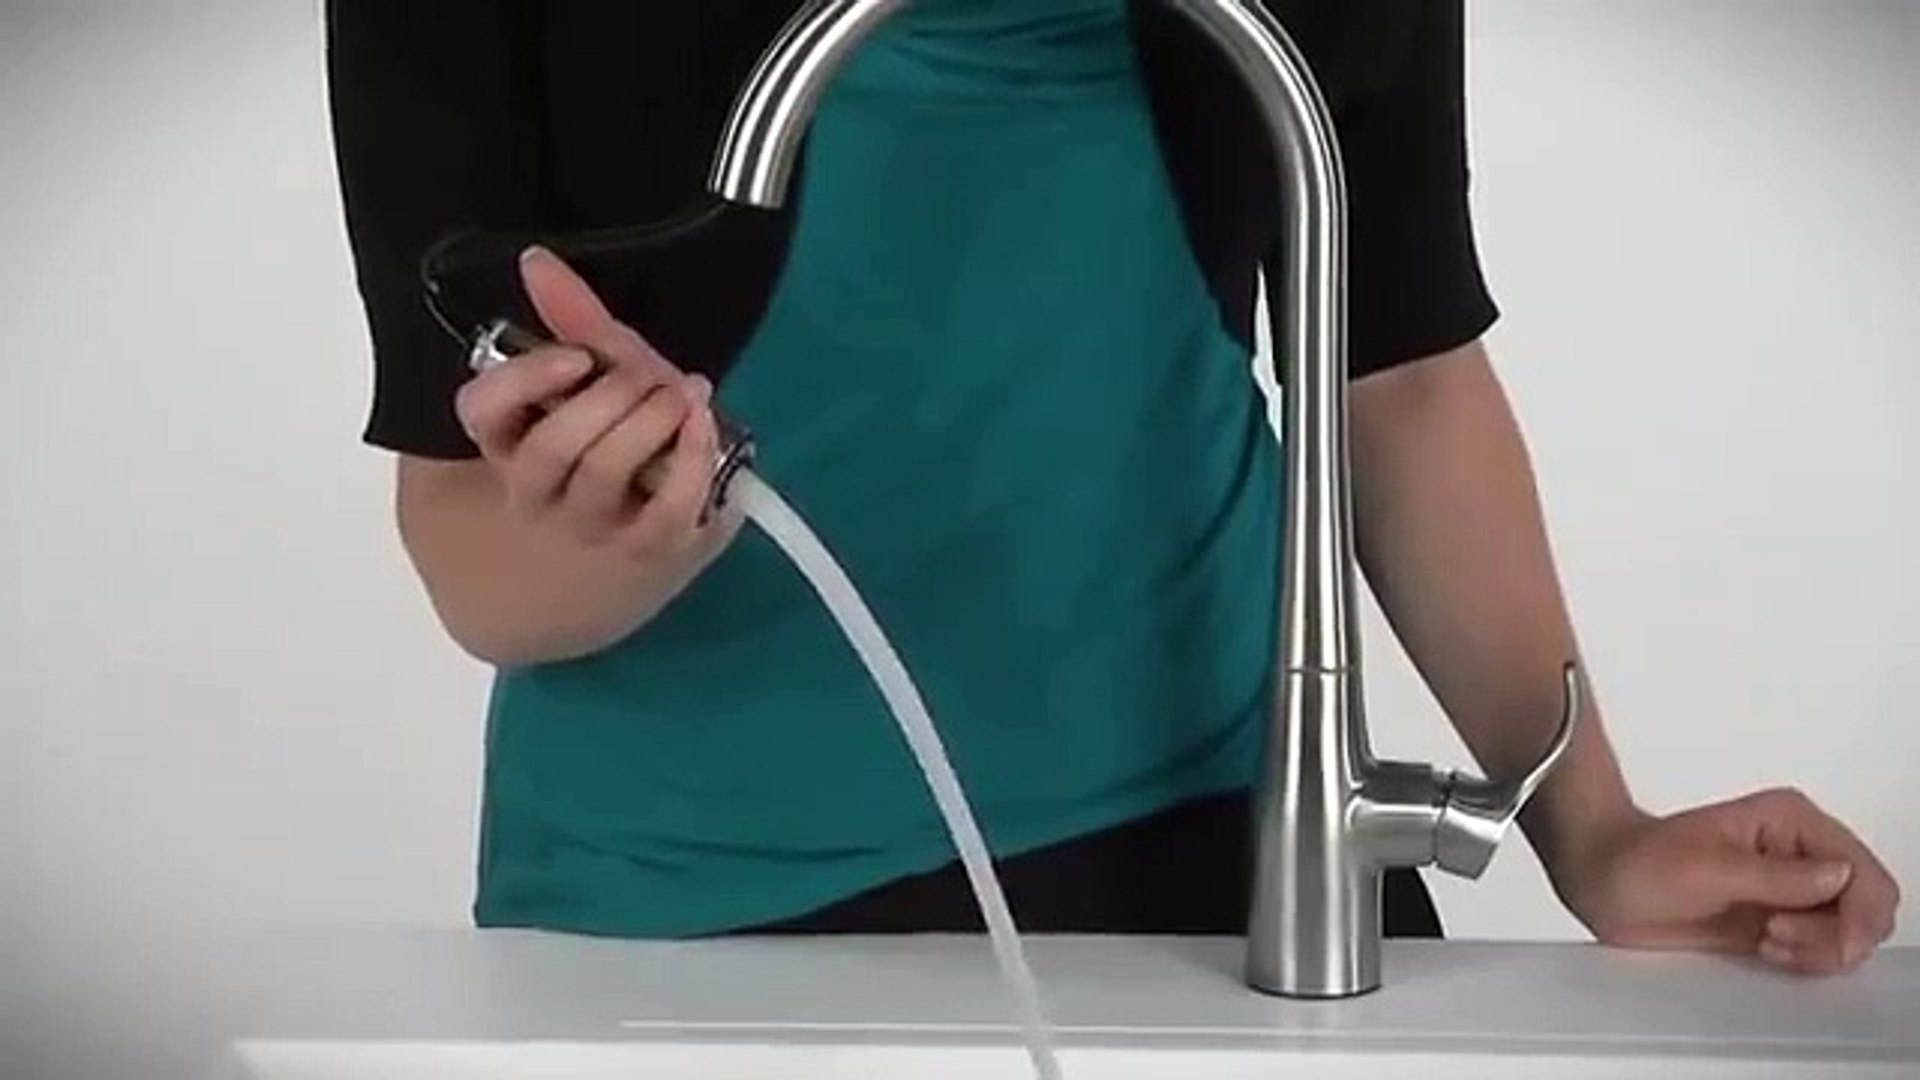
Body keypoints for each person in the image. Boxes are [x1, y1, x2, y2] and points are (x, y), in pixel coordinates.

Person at [323, 0, 1899, 971]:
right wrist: (619, 534)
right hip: (680, 912)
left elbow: (1402, 378)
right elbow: (467, 548)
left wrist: (1594, 831)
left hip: (1228, 867)